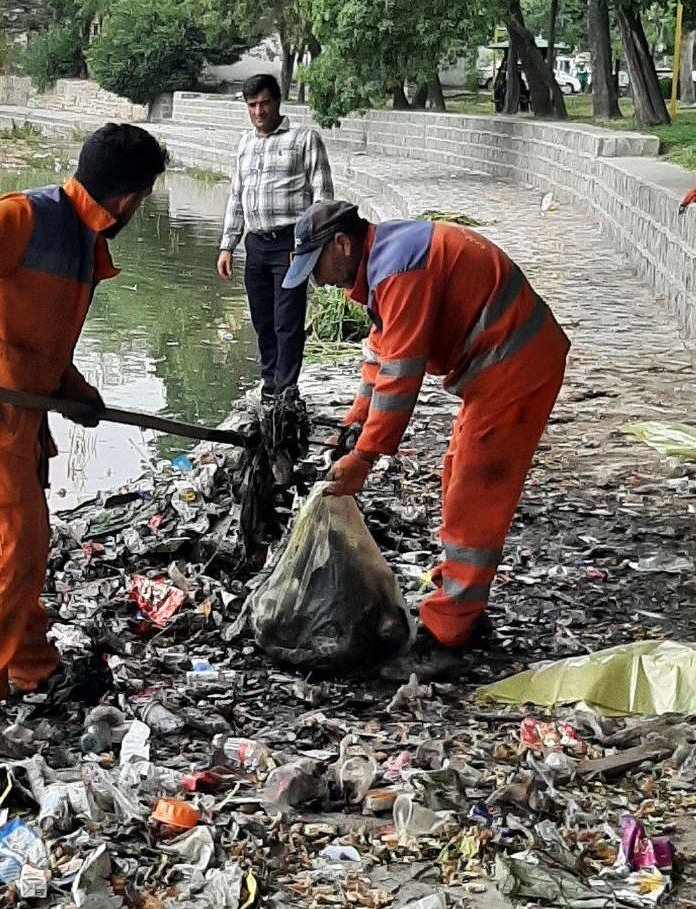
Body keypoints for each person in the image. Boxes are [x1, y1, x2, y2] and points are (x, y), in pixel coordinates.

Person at [0, 124, 168, 734]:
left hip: (16, 409)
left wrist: (78, 397)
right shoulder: (29, 216)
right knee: (5, 553)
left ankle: (29, 664)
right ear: (130, 197)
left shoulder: (82, 241)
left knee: (28, 546)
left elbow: (36, 343)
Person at [283, 201, 570, 680]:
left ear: (341, 244)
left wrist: (365, 457)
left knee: (474, 497)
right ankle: (463, 607)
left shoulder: (399, 271)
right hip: (498, 368)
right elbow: (379, 358)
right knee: (458, 478)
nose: (319, 281)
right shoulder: (386, 262)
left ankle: (446, 639)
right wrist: (352, 426)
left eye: (318, 267)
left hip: (515, 367)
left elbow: (400, 378)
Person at [216, 73, 334, 403]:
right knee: (263, 320)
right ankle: (270, 384)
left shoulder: (304, 139)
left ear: (277, 102)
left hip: (290, 245)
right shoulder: (245, 144)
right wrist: (228, 245)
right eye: (251, 105)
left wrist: (309, 247)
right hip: (256, 244)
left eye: (264, 103)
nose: (258, 111)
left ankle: (286, 389)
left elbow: (323, 197)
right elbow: (237, 196)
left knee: (287, 321)